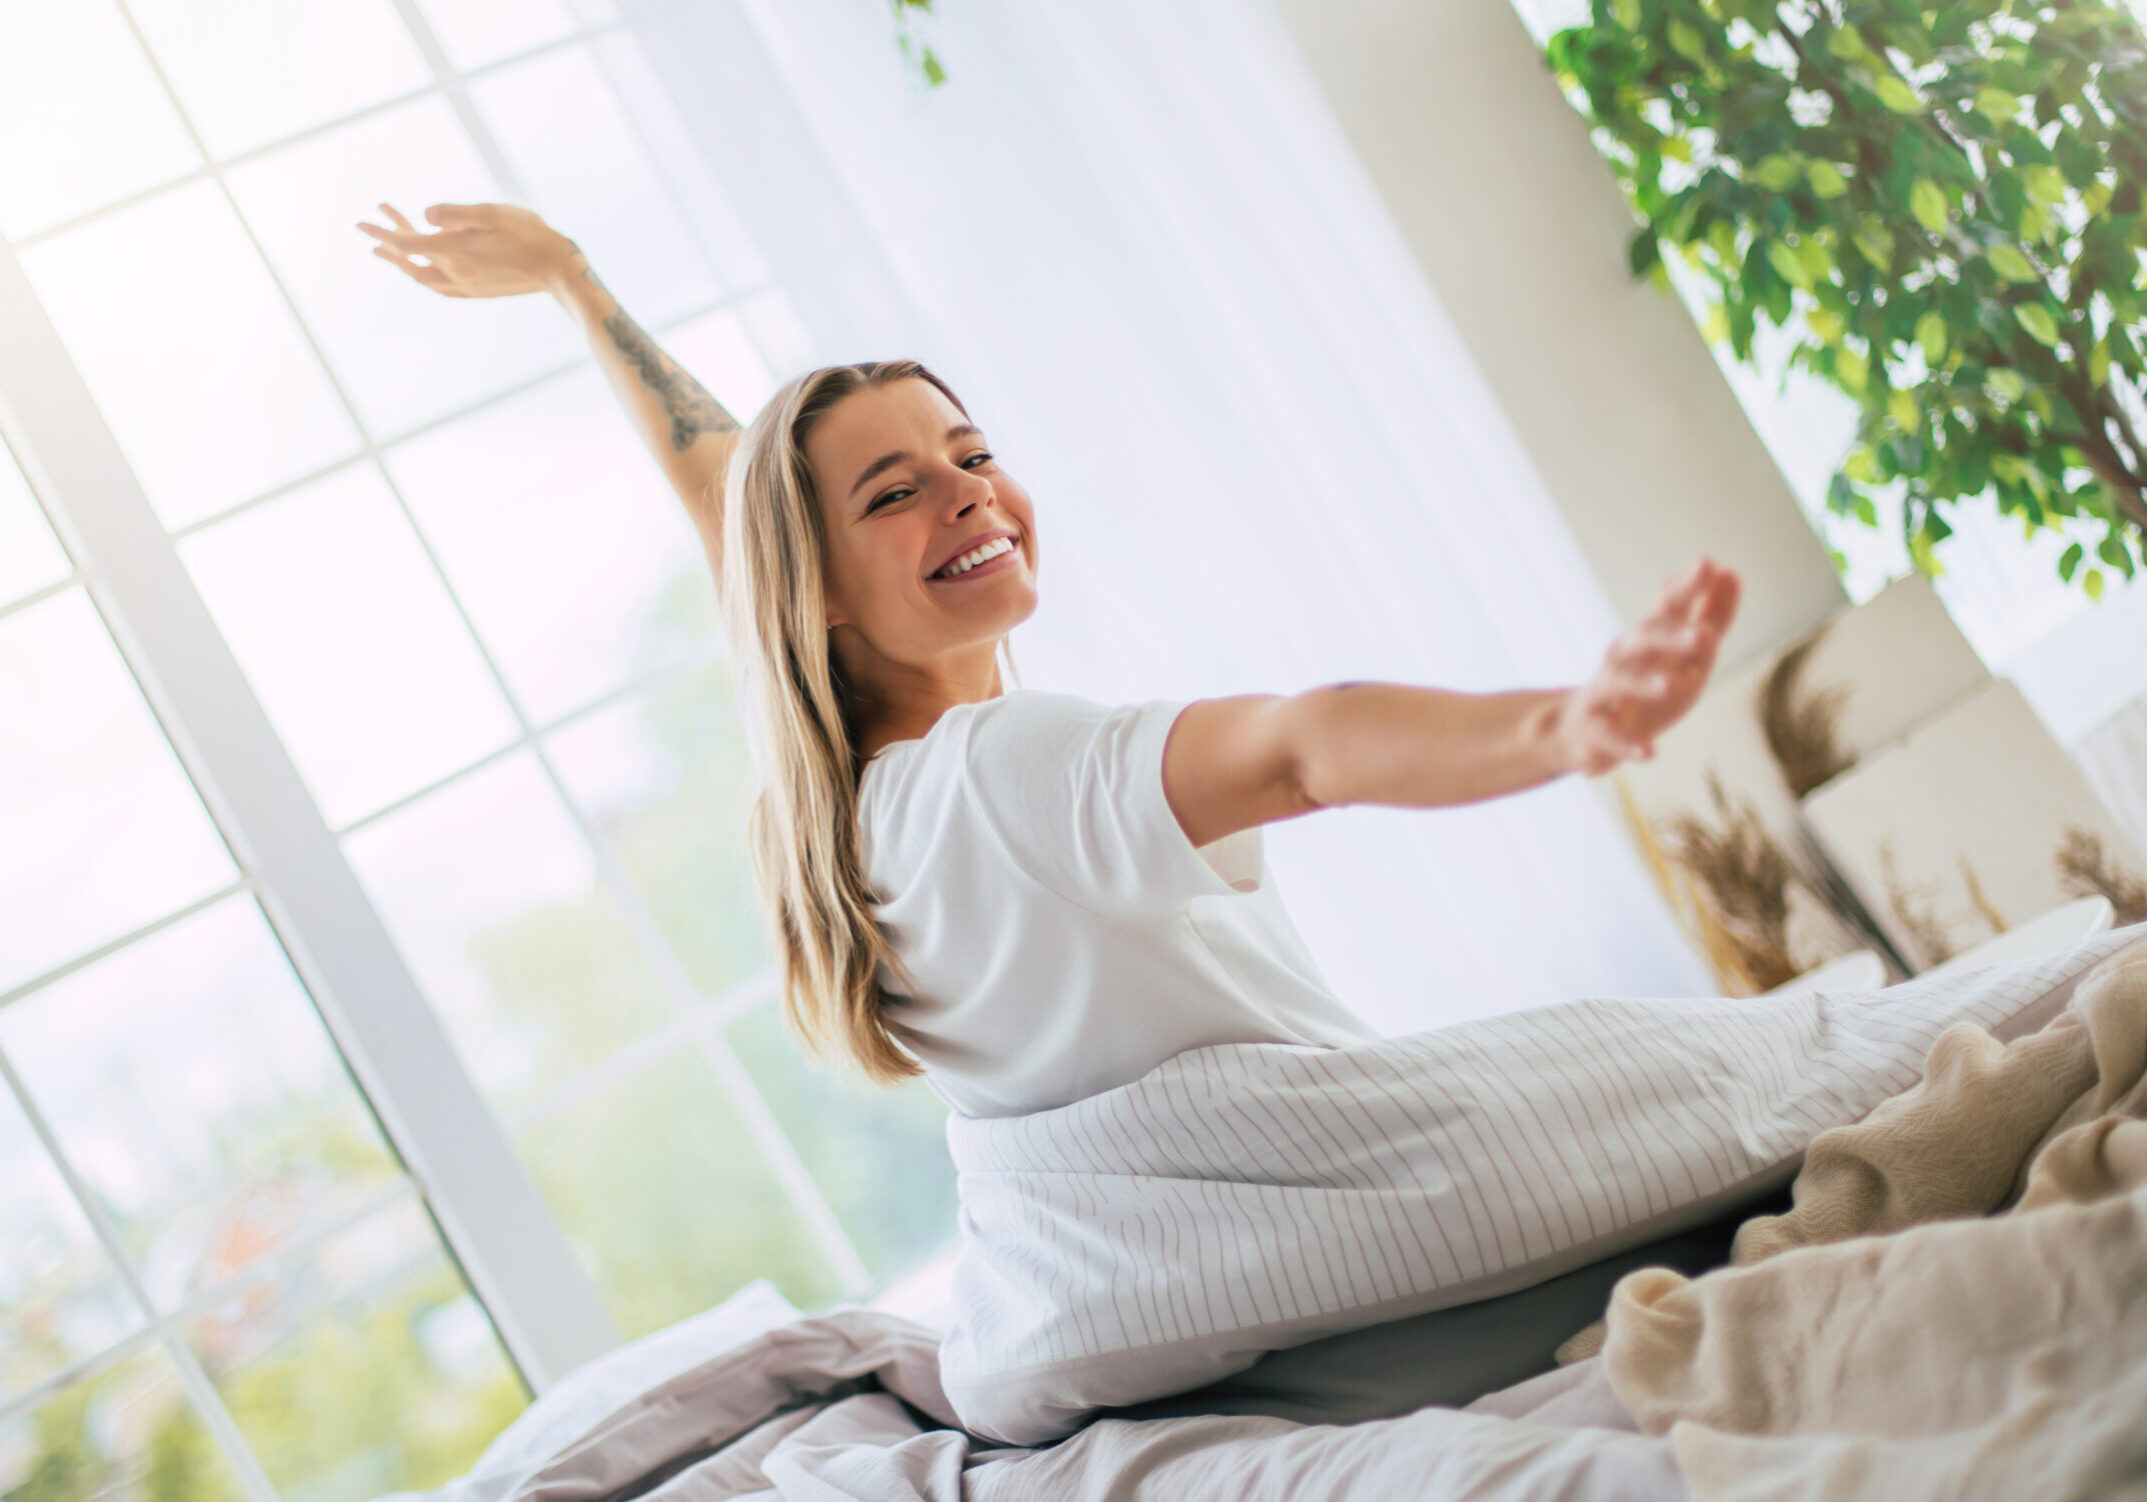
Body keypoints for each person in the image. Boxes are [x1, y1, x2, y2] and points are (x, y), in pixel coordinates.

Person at [361, 203, 1742, 1120]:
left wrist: (575, 285)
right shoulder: (1001, 773)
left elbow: (735, 487)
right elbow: (1303, 743)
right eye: (895, 493)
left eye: (972, 455)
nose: (967, 495)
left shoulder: (868, 807)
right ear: (815, 588)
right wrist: (1564, 726)